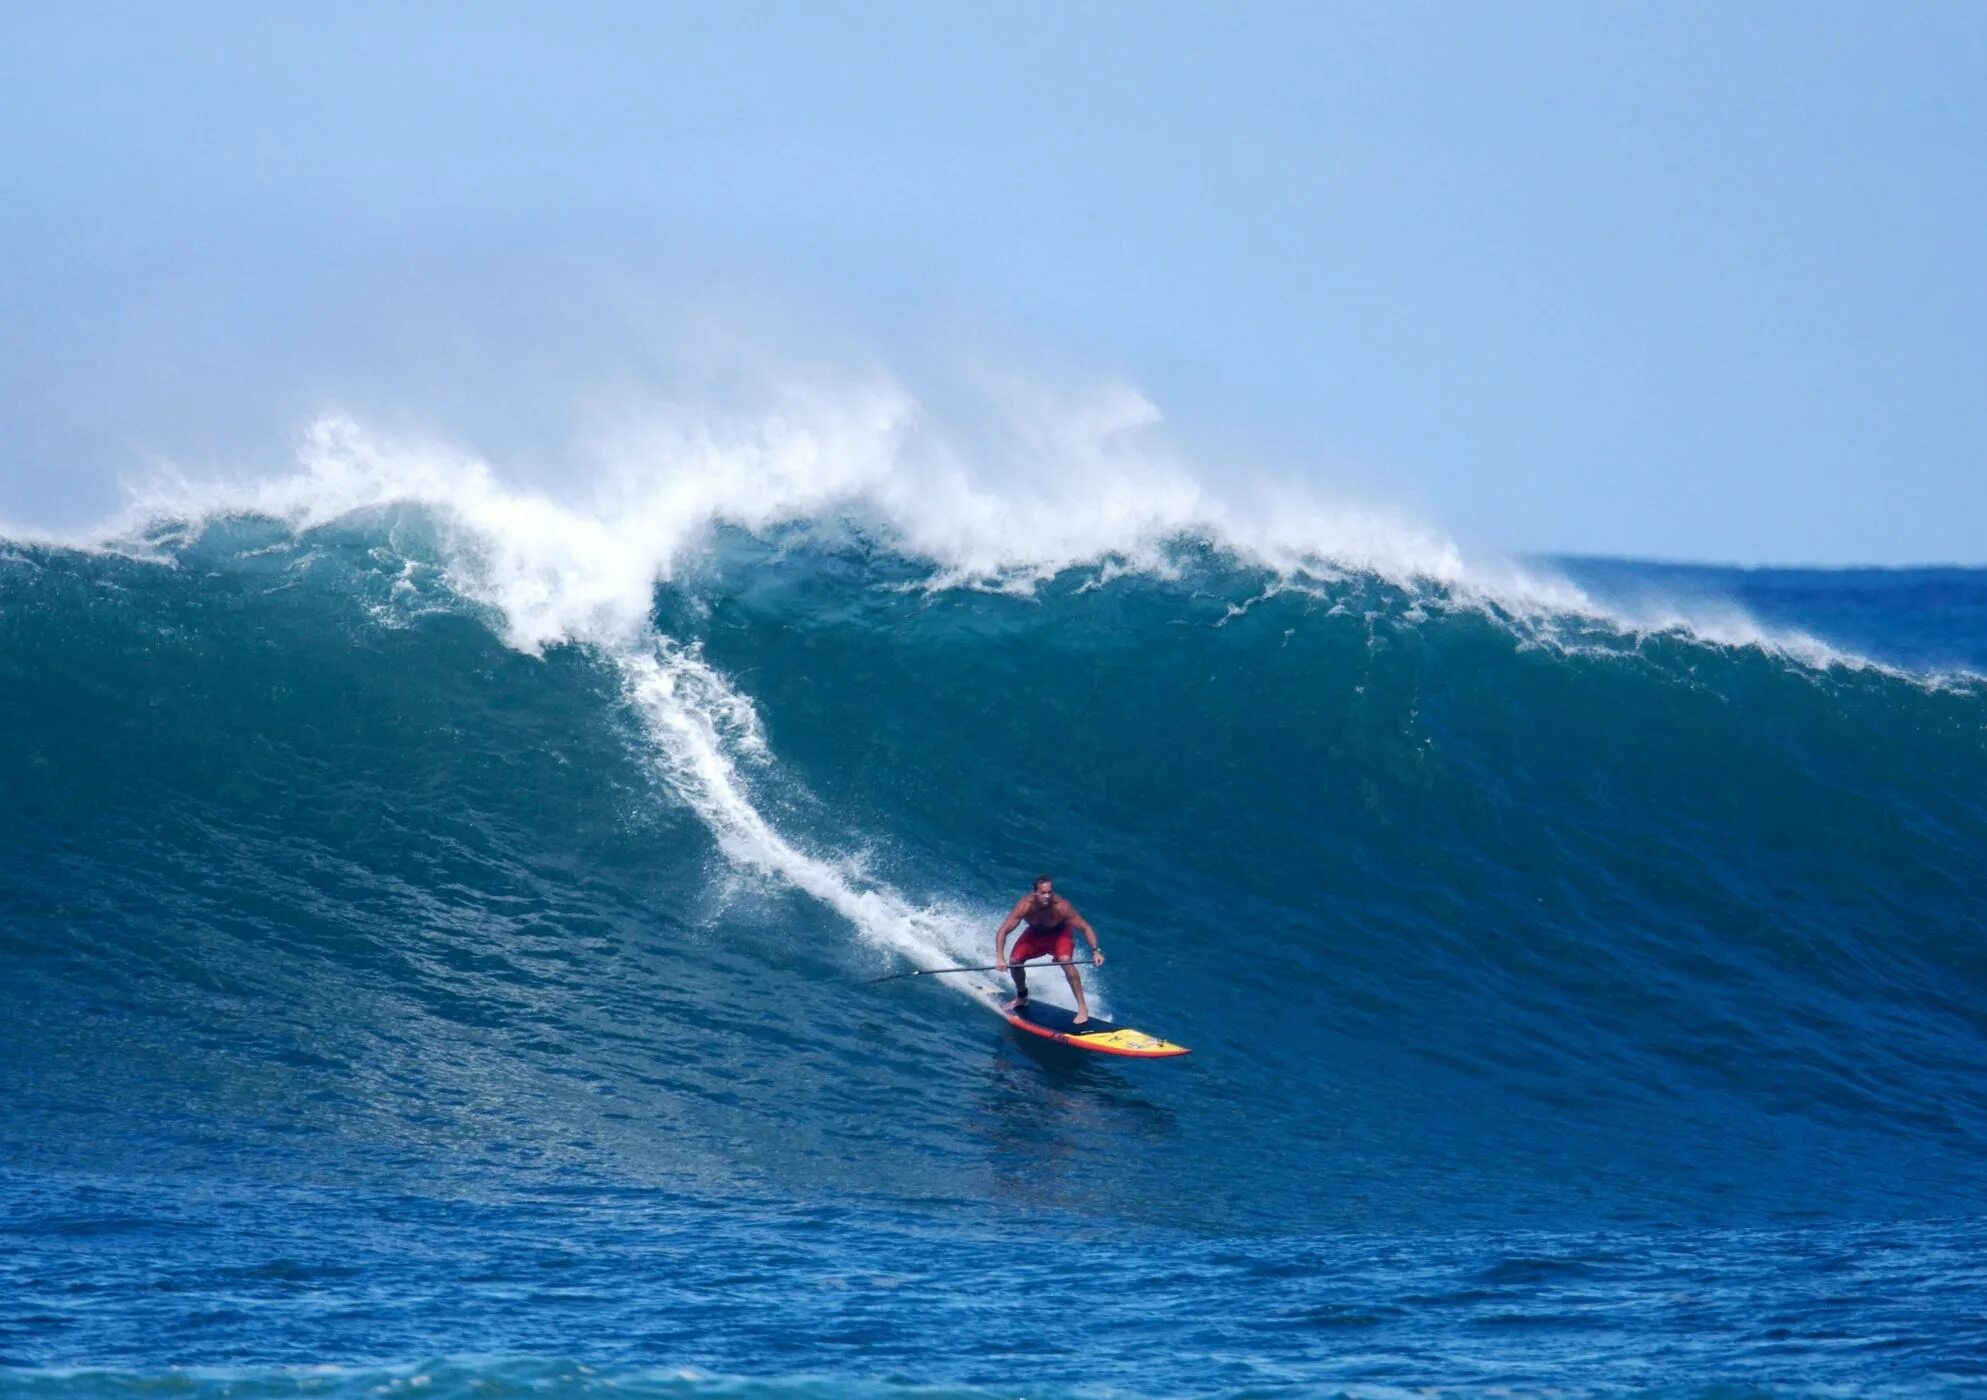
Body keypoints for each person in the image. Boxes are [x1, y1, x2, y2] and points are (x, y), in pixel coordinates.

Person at [994, 874, 1105, 1026]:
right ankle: (1022, 997)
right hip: (1036, 934)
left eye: (1049, 892)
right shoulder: (1025, 906)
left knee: (1065, 960)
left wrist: (1095, 950)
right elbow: (1003, 931)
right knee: (1014, 961)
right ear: (1035, 893)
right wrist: (1000, 957)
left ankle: (1083, 1009)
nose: (1047, 896)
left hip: (1060, 935)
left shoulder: (1061, 906)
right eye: (1043, 893)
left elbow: (1085, 927)